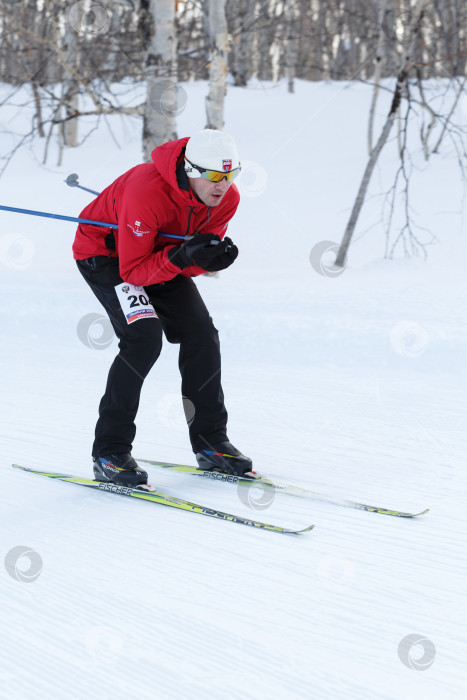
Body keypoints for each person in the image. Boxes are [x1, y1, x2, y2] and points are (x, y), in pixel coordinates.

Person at [72, 129, 252, 487]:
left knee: (202, 335)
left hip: (158, 257)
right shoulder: (146, 190)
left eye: (230, 175)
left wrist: (206, 260)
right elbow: (133, 271)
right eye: (214, 175)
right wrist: (182, 255)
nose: (222, 185)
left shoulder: (227, 199)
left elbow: (187, 262)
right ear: (189, 168)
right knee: (143, 337)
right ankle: (109, 452)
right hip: (106, 255)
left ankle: (211, 443)